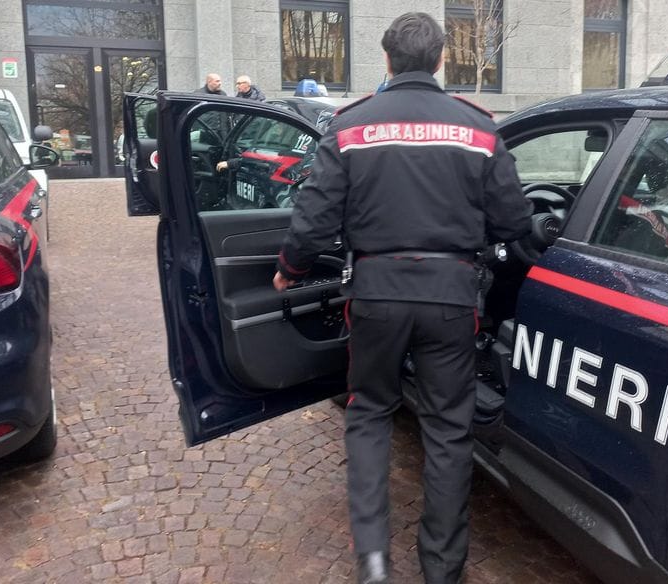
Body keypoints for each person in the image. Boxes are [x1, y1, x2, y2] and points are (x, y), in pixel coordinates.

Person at [272, 12, 532, 584]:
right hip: (451, 300)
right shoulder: (479, 128)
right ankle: (442, 569)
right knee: (448, 430)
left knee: (369, 413)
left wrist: (289, 269)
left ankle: (372, 560)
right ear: (441, 60)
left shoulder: (350, 125)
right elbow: (515, 220)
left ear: (387, 61)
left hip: (374, 295)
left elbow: (314, 219)